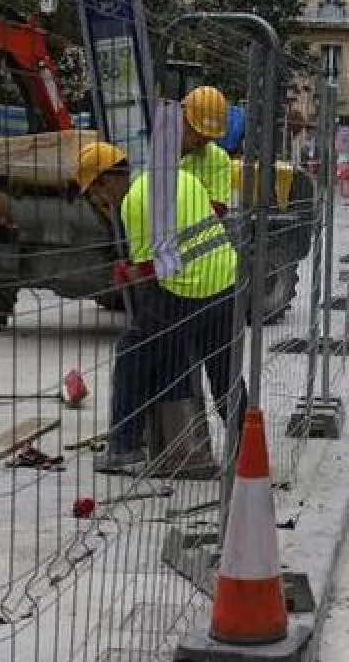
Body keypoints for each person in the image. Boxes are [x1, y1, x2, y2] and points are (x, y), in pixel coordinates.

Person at [77, 142, 245, 477]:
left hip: (186, 290)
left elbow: (152, 271)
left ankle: (125, 448)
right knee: (224, 373)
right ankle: (248, 448)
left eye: (96, 195)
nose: (100, 204)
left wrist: (125, 274)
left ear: (106, 180)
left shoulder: (135, 202)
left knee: (133, 353)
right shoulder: (181, 177)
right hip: (225, 280)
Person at [179, 85, 232, 218]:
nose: (203, 140)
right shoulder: (153, 146)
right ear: (182, 117)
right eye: (198, 132)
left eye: (209, 137)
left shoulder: (219, 159)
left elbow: (217, 210)